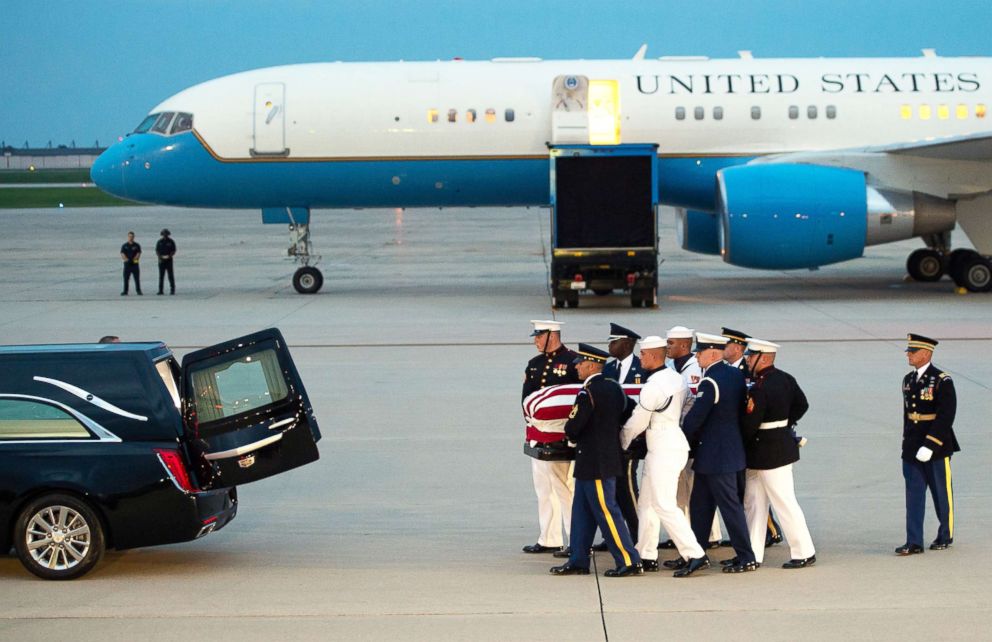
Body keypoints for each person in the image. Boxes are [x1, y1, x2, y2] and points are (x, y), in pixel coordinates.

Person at [550, 344, 642, 577]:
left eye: (580, 363)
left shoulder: (588, 392)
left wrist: (572, 435)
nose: (577, 367)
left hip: (596, 462)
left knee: (607, 511)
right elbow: (629, 410)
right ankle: (578, 559)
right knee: (581, 512)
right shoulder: (614, 388)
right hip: (598, 460)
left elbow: (573, 426)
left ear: (591, 365)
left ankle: (629, 561)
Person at [621, 336, 709, 577]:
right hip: (667, 443)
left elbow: (639, 420)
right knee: (647, 502)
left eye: (642, 355)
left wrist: (621, 442)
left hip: (664, 446)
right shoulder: (674, 377)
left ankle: (695, 553)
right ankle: (647, 553)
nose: (640, 358)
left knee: (663, 504)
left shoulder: (654, 386)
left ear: (652, 356)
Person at [681, 332, 757, 573]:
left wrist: (682, 438)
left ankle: (746, 557)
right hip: (726, 453)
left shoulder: (710, 381)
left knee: (729, 506)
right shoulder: (734, 374)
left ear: (713, 353)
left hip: (716, 456)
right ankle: (696, 552)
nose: (696, 355)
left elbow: (695, 419)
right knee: (700, 505)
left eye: (700, 351)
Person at [740, 338, 817, 569]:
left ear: (763, 358)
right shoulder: (785, 379)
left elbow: (750, 423)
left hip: (768, 452)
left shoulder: (760, 387)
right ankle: (753, 552)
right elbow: (802, 404)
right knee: (755, 502)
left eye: (751, 356)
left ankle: (804, 550)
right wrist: (784, 424)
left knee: (782, 502)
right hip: (775, 447)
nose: (748, 359)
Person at [896, 333, 959, 555]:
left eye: (913, 352)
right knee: (913, 496)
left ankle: (945, 535)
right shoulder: (908, 380)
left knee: (941, 494)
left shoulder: (942, 380)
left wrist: (930, 445)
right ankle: (914, 541)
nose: (909, 355)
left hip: (936, 447)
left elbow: (945, 416)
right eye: (909, 352)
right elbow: (908, 415)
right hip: (913, 446)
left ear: (926, 354)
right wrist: (907, 445)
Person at [521, 320, 580, 555]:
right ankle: (549, 538)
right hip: (539, 434)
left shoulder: (573, 362)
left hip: (562, 436)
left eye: (538, 336)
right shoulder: (534, 364)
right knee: (543, 488)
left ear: (551, 336)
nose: (535, 341)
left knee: (565, 489)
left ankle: (575, 539)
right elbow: (526, 399)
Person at [723, 327, 784, 547]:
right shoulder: (728, 369)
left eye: (726, 344)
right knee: (747, 492)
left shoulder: (749, 372)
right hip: (739, 434)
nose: (723, 348)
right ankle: (760, 532)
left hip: (752, 437)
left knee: (755, 492)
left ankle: (770, 530)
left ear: (738, 348)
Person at [662, 325, 723, 549]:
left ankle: (710, 535)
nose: (667, 347)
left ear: (684, 345)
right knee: (681, 488)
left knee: (695, 488)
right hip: (678, 436)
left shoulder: (695, 369)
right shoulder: (672, 365)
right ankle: (684, 534)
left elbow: (695, 407)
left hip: (691, 437)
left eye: (671, 343)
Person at [592, 322, 644, 552]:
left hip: (635, 437)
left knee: (628, 487)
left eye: (615, 341)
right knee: (614, 488)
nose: (610, 346)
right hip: (613, 437)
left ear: (628, 343)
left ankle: (638, 534)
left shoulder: (643, 367)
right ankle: (617, 534)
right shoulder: (608, 369)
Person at [120, 231, 142, 295]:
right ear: (128, 237)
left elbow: (138, 253)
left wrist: (134, 259)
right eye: (130, 236)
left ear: (134, 237)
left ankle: (138, 290)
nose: (131, 238)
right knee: (126, 278)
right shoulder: (124, 246)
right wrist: (126, 259)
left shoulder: (137, 245)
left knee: (136, 278)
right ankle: (125, 291)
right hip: (127, 264)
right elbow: (122, 253)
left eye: (132, 237)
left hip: (135, 264)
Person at [156, 228, 177, 295]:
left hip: (169, 260)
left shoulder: (171, 242)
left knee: (170, 275)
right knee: (161, 276)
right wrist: (160, 257)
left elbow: (174, 250)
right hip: (161, 261)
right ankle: (160, 290)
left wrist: (169, 256)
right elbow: (157, 251)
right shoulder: (159, 242)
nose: (165, 235)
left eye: (166, 234)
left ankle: (172, 290)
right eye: (164, 234)